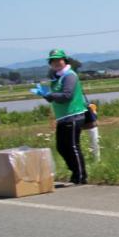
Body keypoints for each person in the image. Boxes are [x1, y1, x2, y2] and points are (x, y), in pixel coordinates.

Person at [32, 48, 89, 185]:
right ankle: (75, 171)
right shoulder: (57, 77)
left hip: (73, 115)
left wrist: (49, 95)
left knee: (73, 146)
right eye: (53, 61)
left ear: (65, 61)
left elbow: (67, 95)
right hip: (63, 117)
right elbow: (56, 98)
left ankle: (80, 176)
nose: (56, 62)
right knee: (62, 147)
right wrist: (46, 95)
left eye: (59, 60)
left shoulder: (69, 76)